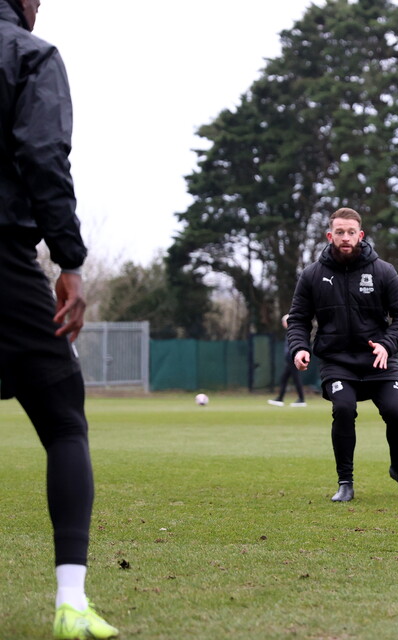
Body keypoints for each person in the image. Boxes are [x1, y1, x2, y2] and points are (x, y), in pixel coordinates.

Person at [0, 1, 119, 638]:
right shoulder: (29, 53)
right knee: (65, 422)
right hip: (5, 264)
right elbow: (42, 153)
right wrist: (68, 260)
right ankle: (71, 603)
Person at [287, 207, 398, 503]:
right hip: (337, 361)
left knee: (397, 412)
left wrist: (387, 344)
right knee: (344, 409)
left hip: (378, 359)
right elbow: (298, 319)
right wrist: (300, 347)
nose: (345, 237)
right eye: (339, 232)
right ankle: (345, 482)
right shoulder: (312, 275)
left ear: (360, 235)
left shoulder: (383, 271)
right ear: (329, 236)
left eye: (350, 232)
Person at [267, 314, 306, 407]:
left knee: (295, 379)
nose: (283, 324)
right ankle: (281, 398)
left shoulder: (293, 332)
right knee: (285, 378)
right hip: (290, 359)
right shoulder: (290, 331)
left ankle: (301, 399)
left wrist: (292, 356)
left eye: (283, 322)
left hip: (292, 358)